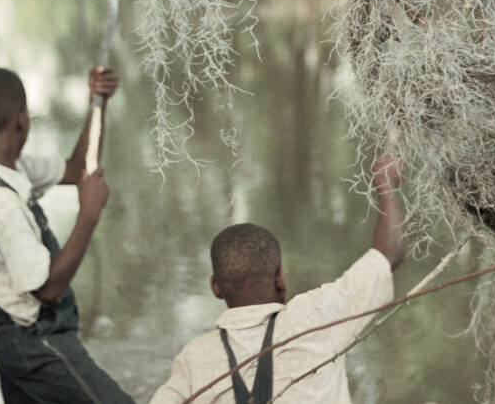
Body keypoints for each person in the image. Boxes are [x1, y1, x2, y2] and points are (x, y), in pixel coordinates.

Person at [150, 154, 406, 403]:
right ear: (280, 278)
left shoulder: (195, 358)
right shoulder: (317, 316)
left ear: (216, 287)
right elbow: (388, 254)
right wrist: (386, 185)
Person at [0, 65, 133, 403]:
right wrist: (88, 215)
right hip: (27, 334)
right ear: (22, 119)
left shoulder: (3, 168)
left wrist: (98, 102)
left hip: (1, 317)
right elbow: (48, 289)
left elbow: (78, 168)